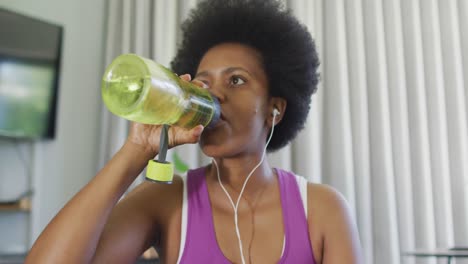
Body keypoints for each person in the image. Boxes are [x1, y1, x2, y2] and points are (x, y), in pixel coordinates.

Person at [25, 0, 362, 263]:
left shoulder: (322, 208)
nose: (214, 94)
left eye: (236, 79)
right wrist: (137, 150)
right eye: (202, 83)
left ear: (275, 108)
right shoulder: (165, 200)